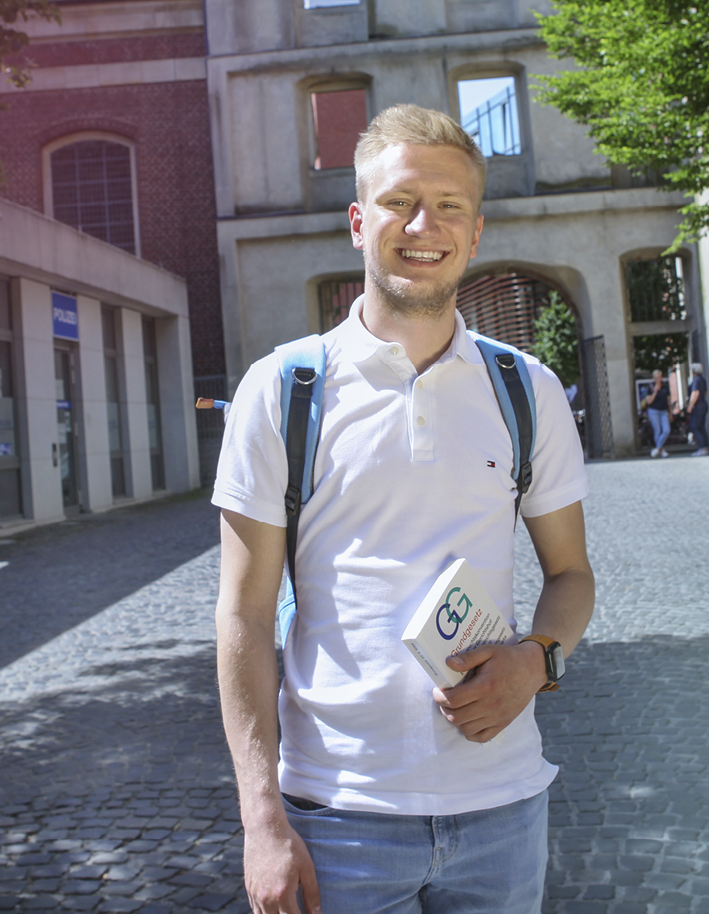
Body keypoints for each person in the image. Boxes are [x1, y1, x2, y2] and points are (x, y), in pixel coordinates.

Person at [212, 104, 595, 914]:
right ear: (359, 221)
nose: (424, 225)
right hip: (336, 815)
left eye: (450, 206)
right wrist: (260, 819)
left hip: (503, 809)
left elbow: (570, 575)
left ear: (476, 232)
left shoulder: (528, 390)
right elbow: (243, 616)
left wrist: (537, 661)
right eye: (399, 202)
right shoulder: (282, 390)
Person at [641, 369, 671, 458]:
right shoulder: (650, 388)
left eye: (658, 377)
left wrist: (671, 412)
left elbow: (668, 400)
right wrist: (655, 391)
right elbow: (649, 402)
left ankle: (658, 449)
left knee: (666, 430)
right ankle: (660, 450)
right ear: (653, 378)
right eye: (655, 377)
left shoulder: (665, 387)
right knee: (657, 430)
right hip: (653, 411)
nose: (657, 379)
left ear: (661, 378)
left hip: (664, 411)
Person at [687, 362, 709, 456]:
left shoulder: (696, 380)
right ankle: (705, 447)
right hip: (703, 405)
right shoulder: (702, 379)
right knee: (701, 427)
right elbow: (705, 393)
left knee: (694, 426)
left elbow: (695, 393)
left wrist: (690, 405)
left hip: (698, 406)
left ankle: (702, 447)